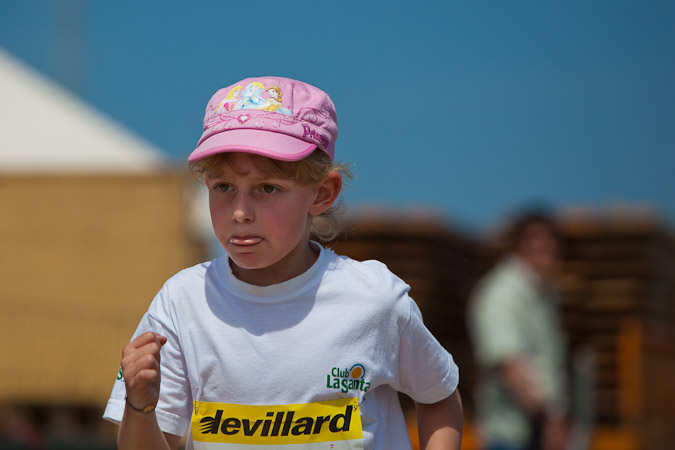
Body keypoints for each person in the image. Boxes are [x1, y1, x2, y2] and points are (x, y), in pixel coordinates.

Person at [103, 76, 463, 450]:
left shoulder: (374, 299)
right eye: (224, 187)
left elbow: (438, 396)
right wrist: (140, 408)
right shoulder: (183, 303)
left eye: (268, 188)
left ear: (322, 193)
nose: (240, 212)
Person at [467, 211, 570, 450]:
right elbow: (510, 365)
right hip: (511, 437)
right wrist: (548, 419)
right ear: (520, 246)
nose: (550, 256)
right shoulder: (501, 294)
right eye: (542, 248)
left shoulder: (541, 296)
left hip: (535, 433)